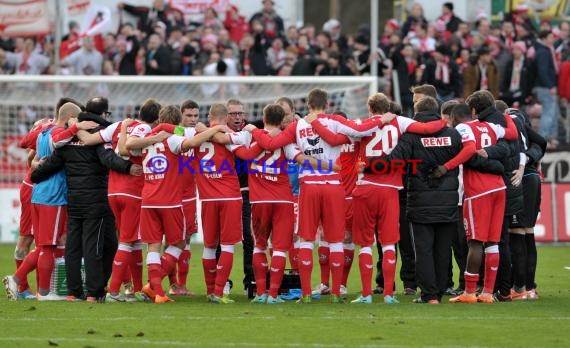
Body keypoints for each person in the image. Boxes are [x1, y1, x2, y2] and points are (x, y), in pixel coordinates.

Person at [247, 89, 391, 303]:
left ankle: (305, 294)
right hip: (333, 184)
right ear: (327, 103)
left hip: (309, 186)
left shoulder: (298, 126)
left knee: (306, 240)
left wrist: (254, 129)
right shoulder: (334, 121)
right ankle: (335, 292)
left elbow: (270, 144)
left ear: (308, 104)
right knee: (335, 240)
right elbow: (361, 130)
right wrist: (382, 120)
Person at [308, 92, 446, 304]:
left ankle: (366, 295)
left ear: (370, 109)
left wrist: (316, 122)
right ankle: (389, 295)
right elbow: (427, 129)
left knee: (364, 244)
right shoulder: (399, 121)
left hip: (366, 187)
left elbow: (334, 139)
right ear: (388, 108)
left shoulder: (362, 124)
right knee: (389, 242)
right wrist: (445, 121)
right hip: (391, 189)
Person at [29, 97, 140, 302]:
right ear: (104, 114)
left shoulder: (67, 139)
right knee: (94, 247)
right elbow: (108, 158)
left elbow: (51, 163)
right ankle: (94, 292)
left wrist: (35, 175)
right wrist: (128, 168)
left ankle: (74, 291)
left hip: (75, 200)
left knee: (78, 246)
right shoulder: (96, 135)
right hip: (96, 201)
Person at [367, 96, 463, 304]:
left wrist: (365, 164)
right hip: (448, 202)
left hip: (420, 201)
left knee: (424, 250)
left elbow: (393, 162)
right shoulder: (453, 135)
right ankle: (439, 290)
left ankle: (429, 295)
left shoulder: (411, 137)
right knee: (442, 251)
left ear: (417, 113)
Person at [132, 105, 226, 303]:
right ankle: (156, 287)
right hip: (170, 200)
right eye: (188, 116)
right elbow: (191, 142)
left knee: (153, 246)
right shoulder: (173, 138)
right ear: (178, 119)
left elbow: (126, 146)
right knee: (180, 242)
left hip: (148, 199)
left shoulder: (147, 138)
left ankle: (155, 289)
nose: (192, 119)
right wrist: (214, 129)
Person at [439, 91, 519, 303]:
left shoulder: (463, 128)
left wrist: (447, 166)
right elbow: (512, 134)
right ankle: (487, 293)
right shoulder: (492, 127)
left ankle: (469, 292)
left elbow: (468, 152)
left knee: (475, 242)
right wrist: (507, 115)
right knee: (493, 242)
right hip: (499, 188)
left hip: (478, 191)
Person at [506, 108, 546, 301]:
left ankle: (519, 288)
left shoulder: (510, 122)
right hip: (534, 179)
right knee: (528, 232)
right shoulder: (532, 139)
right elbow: (542, 142)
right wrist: (534, 159)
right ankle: (530, 288)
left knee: (517, 233)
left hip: (520, 180)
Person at [533, 30, 561, 148]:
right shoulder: (543, 52)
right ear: (544, 38)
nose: (552, 39)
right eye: (550, 37)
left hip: (547, 86)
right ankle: (543, 138)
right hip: (545, 87)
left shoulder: (546, 50)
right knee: (548, 113)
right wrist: (550, 86)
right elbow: (542, 71)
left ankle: (550, 137)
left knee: (553, 112)